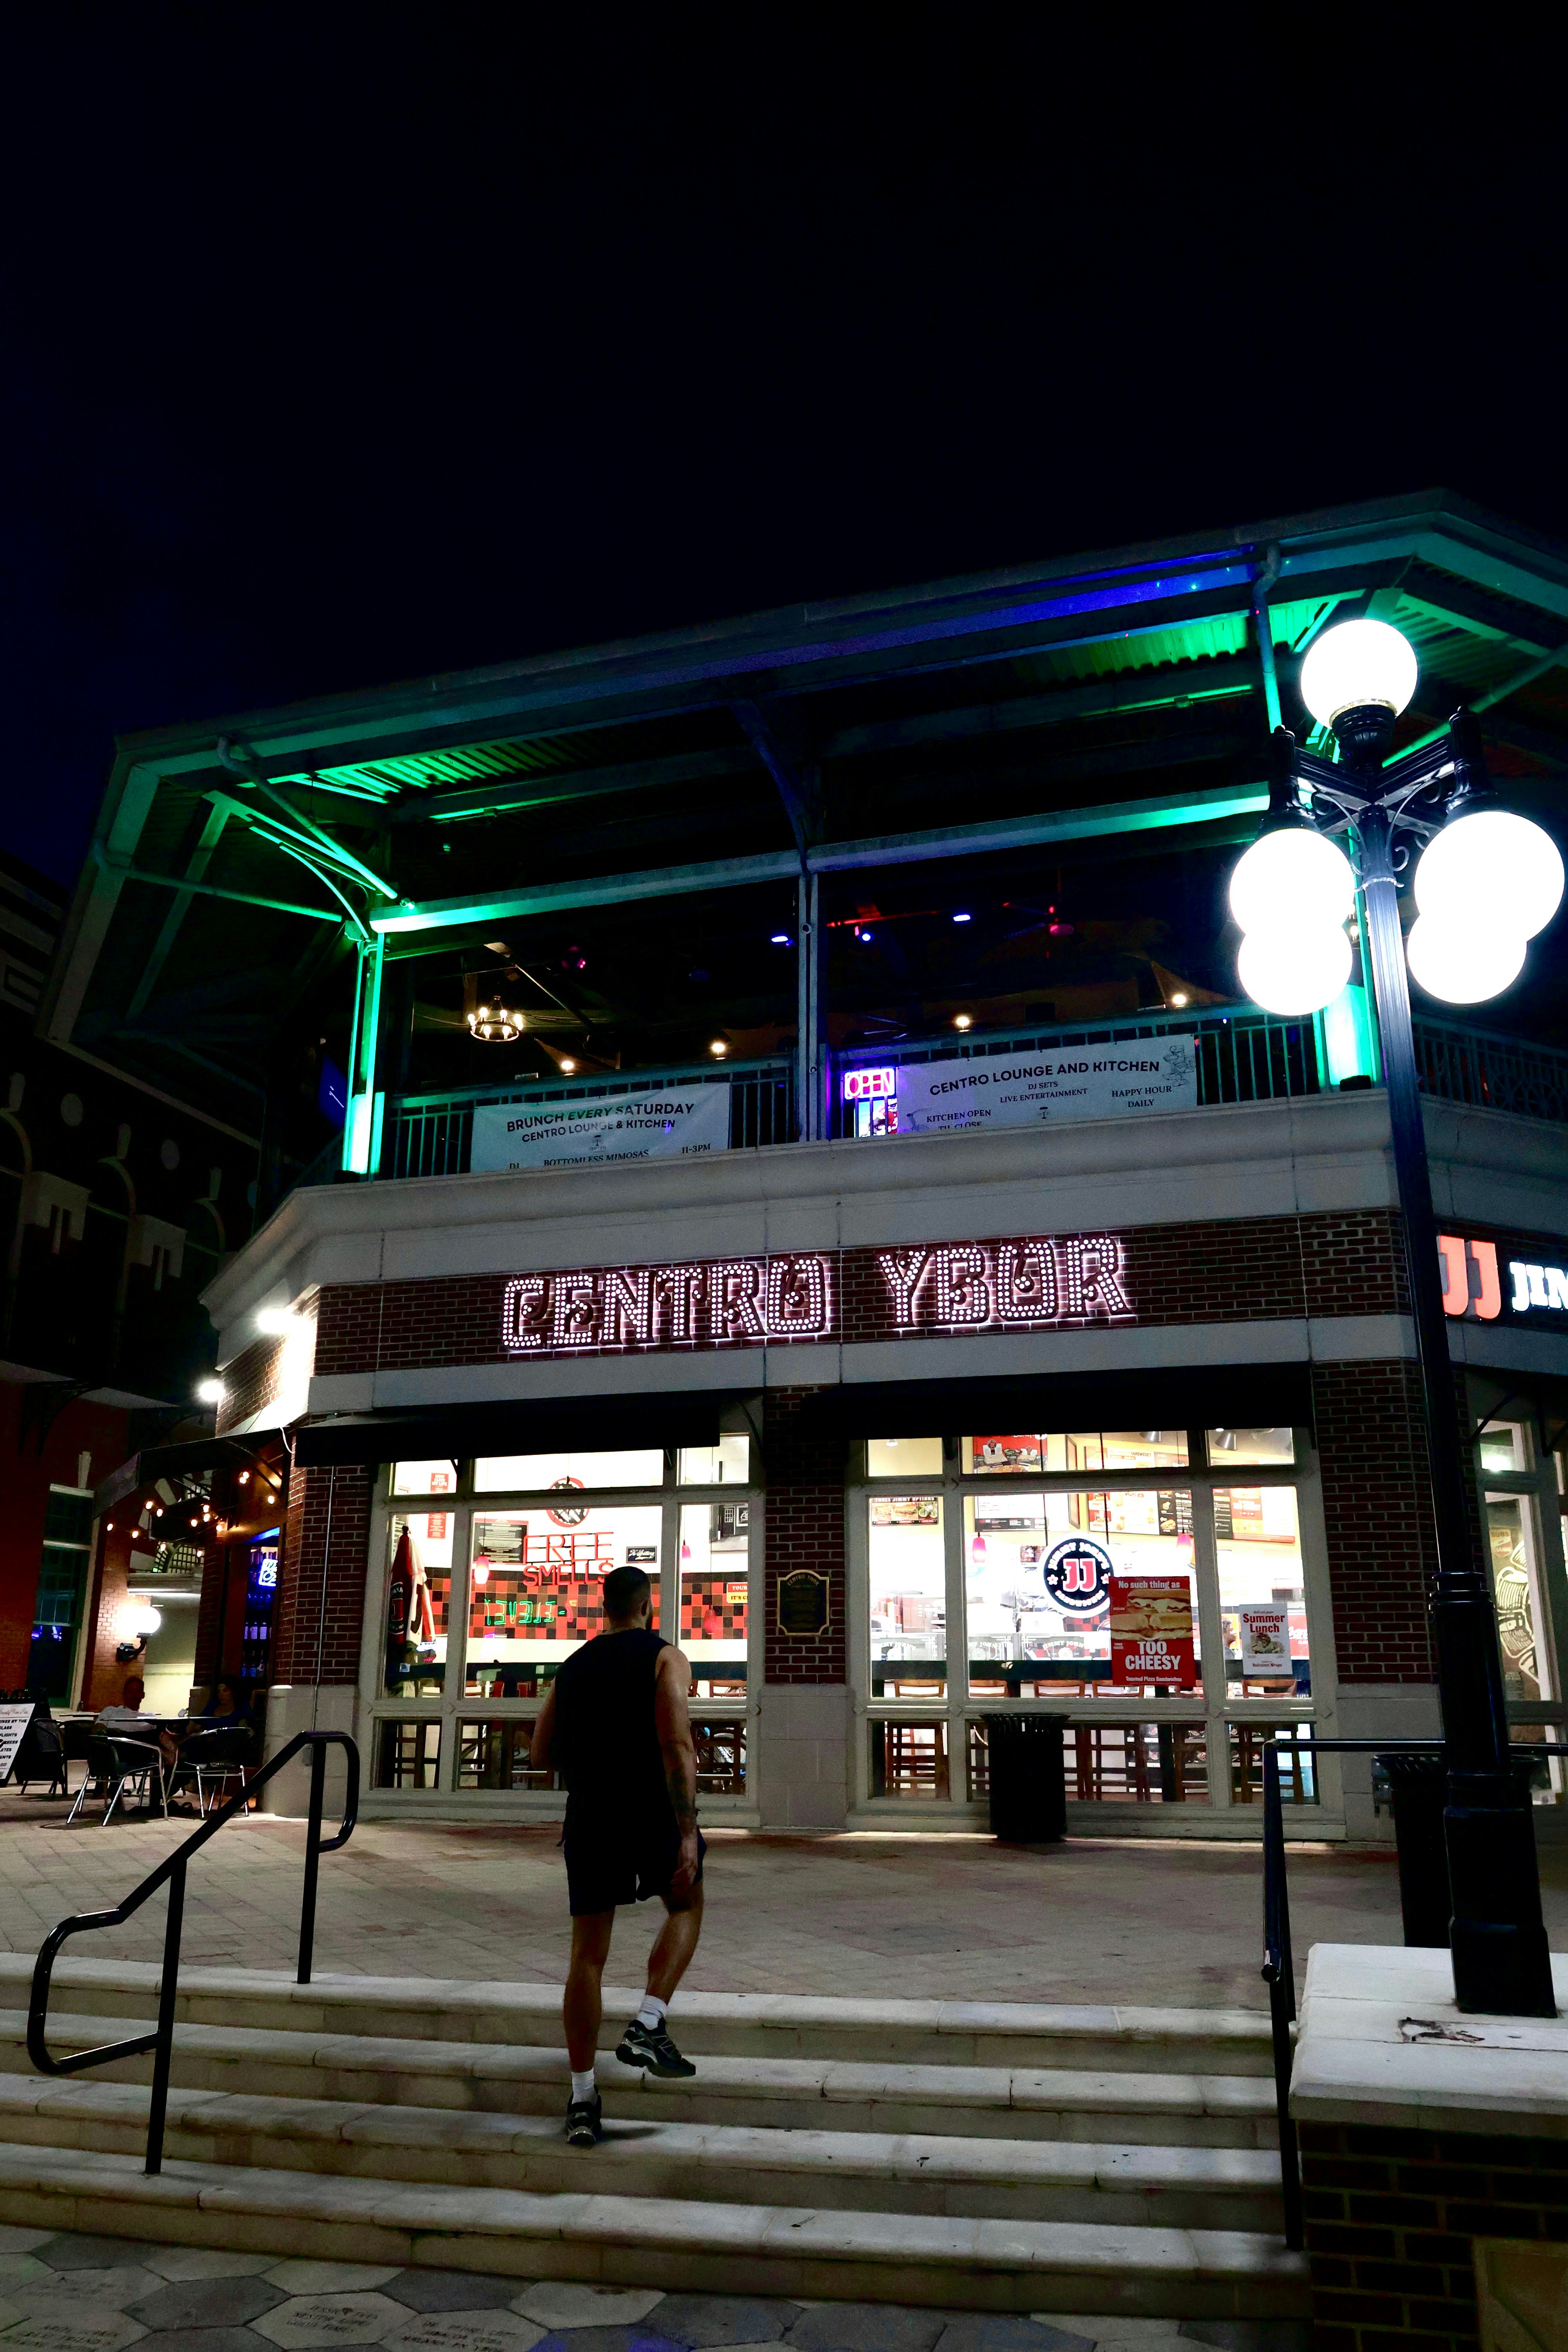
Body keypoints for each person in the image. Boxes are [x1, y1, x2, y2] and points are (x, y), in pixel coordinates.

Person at [529, 1564, 704, 2149]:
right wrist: (686, 1831)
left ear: (604, 1608)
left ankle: (582, 2098)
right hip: (650, 1808)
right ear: (646, 1606)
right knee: (686, 1903)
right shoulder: (665, 1658)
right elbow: (677, 1744)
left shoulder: (573, 1666)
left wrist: (594, 1752)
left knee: (587, 1957)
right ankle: (649, 2022)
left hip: (591, 1814)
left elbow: (540, 1752)